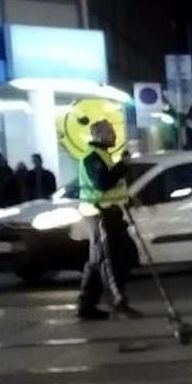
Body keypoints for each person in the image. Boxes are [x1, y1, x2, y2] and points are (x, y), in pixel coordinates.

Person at [76, 120, 141, 321]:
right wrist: (123, 165)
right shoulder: (92, 157)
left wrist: (127, 199)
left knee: (100, 261)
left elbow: (113, 186)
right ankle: (119, 303)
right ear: (99, 135)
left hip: (109, 214)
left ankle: (87, 305)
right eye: (110, 132)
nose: (114, 135)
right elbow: (103, 183)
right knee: (112, 261)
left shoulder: (104, 156)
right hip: (100, 215)